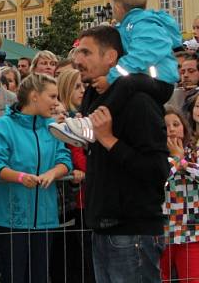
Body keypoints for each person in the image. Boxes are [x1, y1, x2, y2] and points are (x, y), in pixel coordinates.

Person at [71, 26, 169, 283]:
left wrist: (108, 140)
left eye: (86, 52)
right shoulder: (95, 97)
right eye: (77, 51)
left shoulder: (140, 102)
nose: (77, 59)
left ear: (111, 57)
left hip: (132, 231)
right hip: (103, 227)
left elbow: (157, 170)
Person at [52, 0, 182, 147]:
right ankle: (86, 122)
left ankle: (91, 123)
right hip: (151, 78)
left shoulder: (142, 24)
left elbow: (142, 55)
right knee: (114, 84)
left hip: (159, 80)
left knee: (124, 83)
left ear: (118, 7)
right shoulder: (133, 25)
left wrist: (112, 76)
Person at [0, 73, 72, 283]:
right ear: (34, 96)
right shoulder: (2, 126)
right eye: (52, 97)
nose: (56, 103)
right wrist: (20, 177)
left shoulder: (52, 127)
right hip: (10, 220)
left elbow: (65, 159)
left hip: (45, 219)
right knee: (12, 277)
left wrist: (53, 172)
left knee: (40, 277)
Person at [160, 107, 199, 282]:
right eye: (166, 125)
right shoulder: (154, 156)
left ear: (184, 127)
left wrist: (183, 161)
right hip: (161, 231)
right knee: (160, 278)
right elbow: (159, 179)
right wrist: (176, 159)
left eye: (176, 124)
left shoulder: (195, 153)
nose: (172, 129)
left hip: (191, 230)